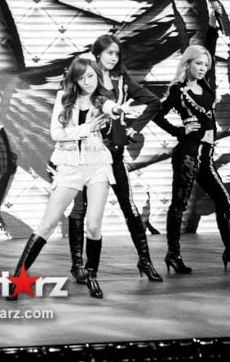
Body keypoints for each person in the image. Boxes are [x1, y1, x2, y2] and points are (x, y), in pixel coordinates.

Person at [9, 56, 124, 299]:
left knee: (93, 225)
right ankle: (18, 278)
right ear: (75, 80)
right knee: (47, 223)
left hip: (96, 165)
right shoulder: (64, 99)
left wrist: (117, 110)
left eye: (91, 76)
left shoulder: (102, 100)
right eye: (82, 78)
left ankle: (92, 276)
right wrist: (87, 129)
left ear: (97, 76)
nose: (87, 82)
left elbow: (110, 108)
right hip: (70, 167)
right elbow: (56, 134)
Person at [66, 35, 163, 284]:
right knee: (80, 208)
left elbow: (153, 102)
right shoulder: (87, 76)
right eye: (109, 52)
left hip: (114, 154)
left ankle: (145, 260)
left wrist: (133, 129)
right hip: (88, 154)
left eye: (116, 53)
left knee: (129, 207)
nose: (113, 57)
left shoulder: (122, 80)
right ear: (97, 54)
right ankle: (79, 265)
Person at [153, 45, 230, 274]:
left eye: (206, 65)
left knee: (223, 200)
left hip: (206, 156)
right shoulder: (178, 91)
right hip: (188, 154)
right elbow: (157, 115)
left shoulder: (206, 87)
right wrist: (180, 131)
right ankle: (173, 254)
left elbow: (210, 43)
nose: (202, 68)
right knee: (179, 204)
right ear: (187, 63)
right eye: (198, 63)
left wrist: (213, 25)